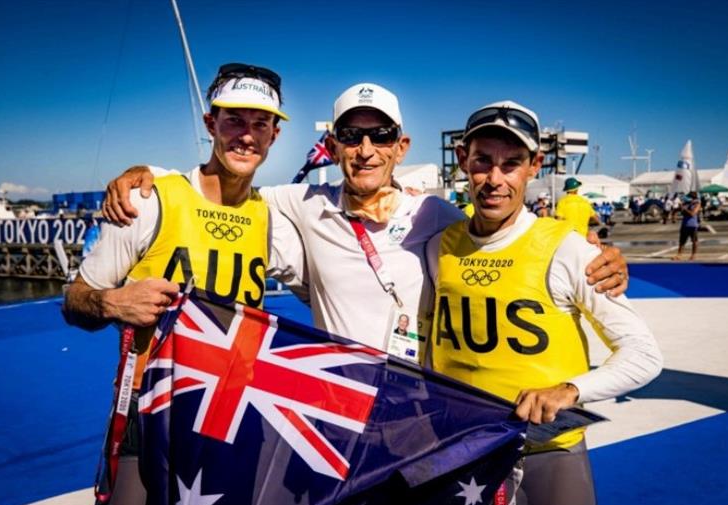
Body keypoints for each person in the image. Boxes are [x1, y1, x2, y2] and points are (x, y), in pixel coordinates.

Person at [103, 83, 629, 363]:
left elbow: (504, 241)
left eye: (381, 135)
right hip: (339, 404)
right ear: (332, 147)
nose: (366, 149)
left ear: (401, 147)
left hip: (424, 404)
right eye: (352, 136)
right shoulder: (299, 204)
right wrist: (152, 173)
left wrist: (593, 258)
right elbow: (229, 189)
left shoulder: (438, 216)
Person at [62, 63, 305, 505]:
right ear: (210, 123)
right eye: (234, 119)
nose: (246, 136)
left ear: (274, 135)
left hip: (231, 413)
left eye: (260, 124)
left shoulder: (270, 217)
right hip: (150, 410)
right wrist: (115, 303)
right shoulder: (149, 199)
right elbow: (75, 298)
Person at [427, 100, 662, 505]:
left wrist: (570, 389)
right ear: (463, 159)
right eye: (482, 161)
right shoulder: (439, 243)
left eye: (511, 163)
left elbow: (644, 354)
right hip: (463, 455)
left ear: (534, 165)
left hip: (548, 453)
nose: (495, 180)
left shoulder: (567, 249)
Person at [675, 191, 701, 260]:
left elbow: (693, 213)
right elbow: (682, 212)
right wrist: (680, 208)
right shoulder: (686, 203)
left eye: (689, 197)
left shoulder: (697, 204)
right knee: (682, 241)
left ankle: (693, 255)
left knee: (694, 241)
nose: (688, 198)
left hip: (693, 225)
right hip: (684, 224)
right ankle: (679, 255)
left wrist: (684, 209)